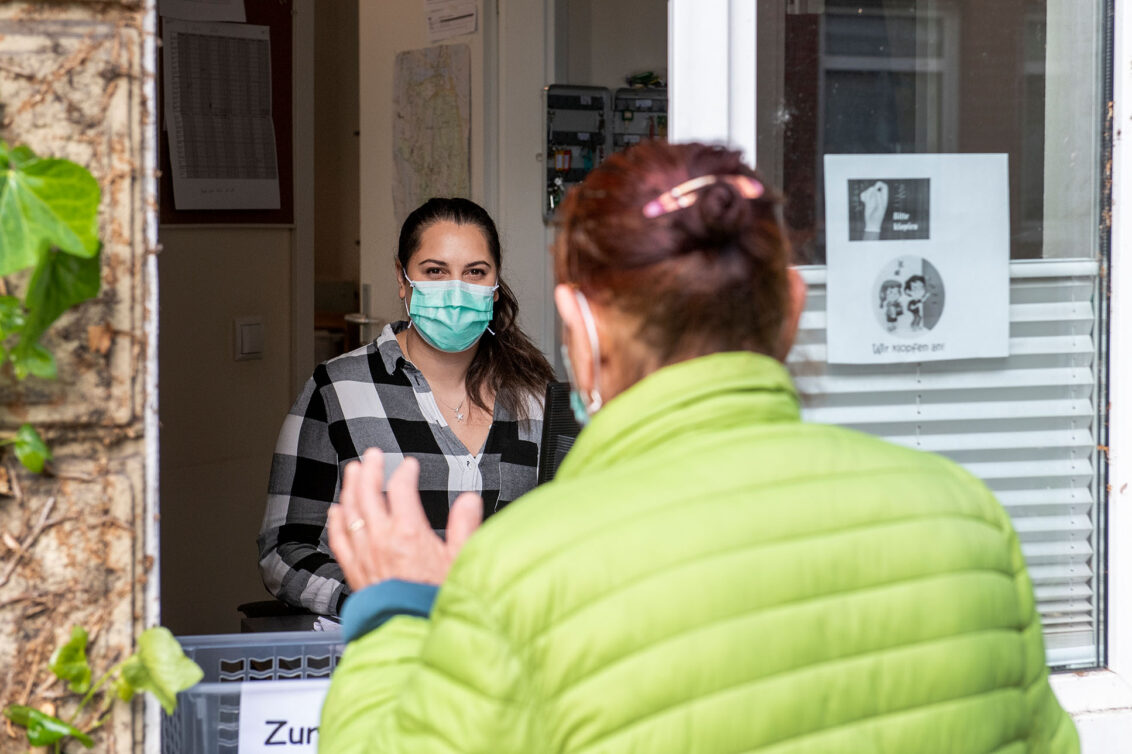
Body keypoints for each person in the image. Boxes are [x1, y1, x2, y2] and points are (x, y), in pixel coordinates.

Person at [318, 142, 1079, 752]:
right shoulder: (968, 521)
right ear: (791, 307)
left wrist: (400, 617)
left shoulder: (520, 576)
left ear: (580, 331)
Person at [257, 197, 554, 616]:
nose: (456, 290)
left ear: (494, 284)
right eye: (435, 271)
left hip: (507, 651)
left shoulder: (536, 396)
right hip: (385, 649)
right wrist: (378, 603)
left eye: (475, 272)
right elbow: (283, 551)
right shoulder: (338, 390)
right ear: (403, 278)